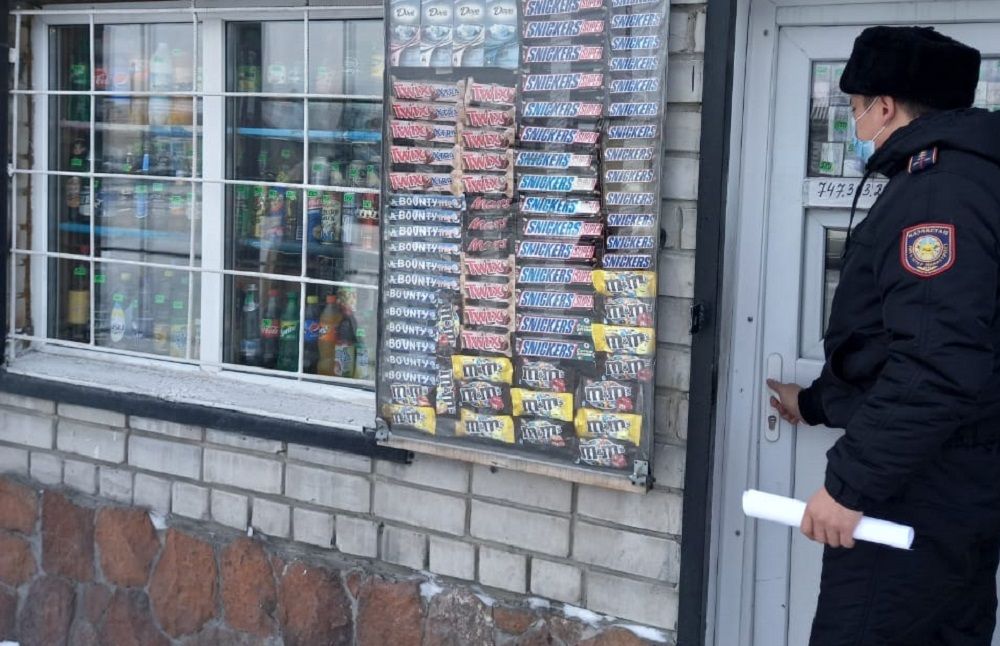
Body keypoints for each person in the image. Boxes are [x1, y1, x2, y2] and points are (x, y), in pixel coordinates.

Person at [768, 26, 1000, 645]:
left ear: (886, 106)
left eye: (855, 107)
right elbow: (918, 336)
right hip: (959, 482)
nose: (856, 122)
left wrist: (850, 485)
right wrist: (814, 402)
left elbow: (935, 363)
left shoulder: (937, 194)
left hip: (921, 491)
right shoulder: (968, 178)